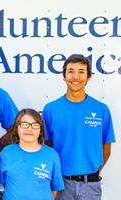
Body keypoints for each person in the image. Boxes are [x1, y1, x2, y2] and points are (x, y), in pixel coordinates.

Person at [42, 54, 116, 200]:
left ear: (88, 77)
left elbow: (106, 149)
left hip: (91, 185)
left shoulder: (101, 109)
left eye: (81, 72)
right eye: (70, 71)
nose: (75, 77)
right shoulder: (51, 109)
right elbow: (47, 147)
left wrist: (90, 173)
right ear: (63, 76)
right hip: (61, 183)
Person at [0, 108, 64, 200]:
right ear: (17, 128)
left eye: (35, 125)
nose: (29, 129)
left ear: (40, 130)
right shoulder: (7, 153)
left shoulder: (51, 155)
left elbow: (55, 188)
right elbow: (4, 182)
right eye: (24, 124)